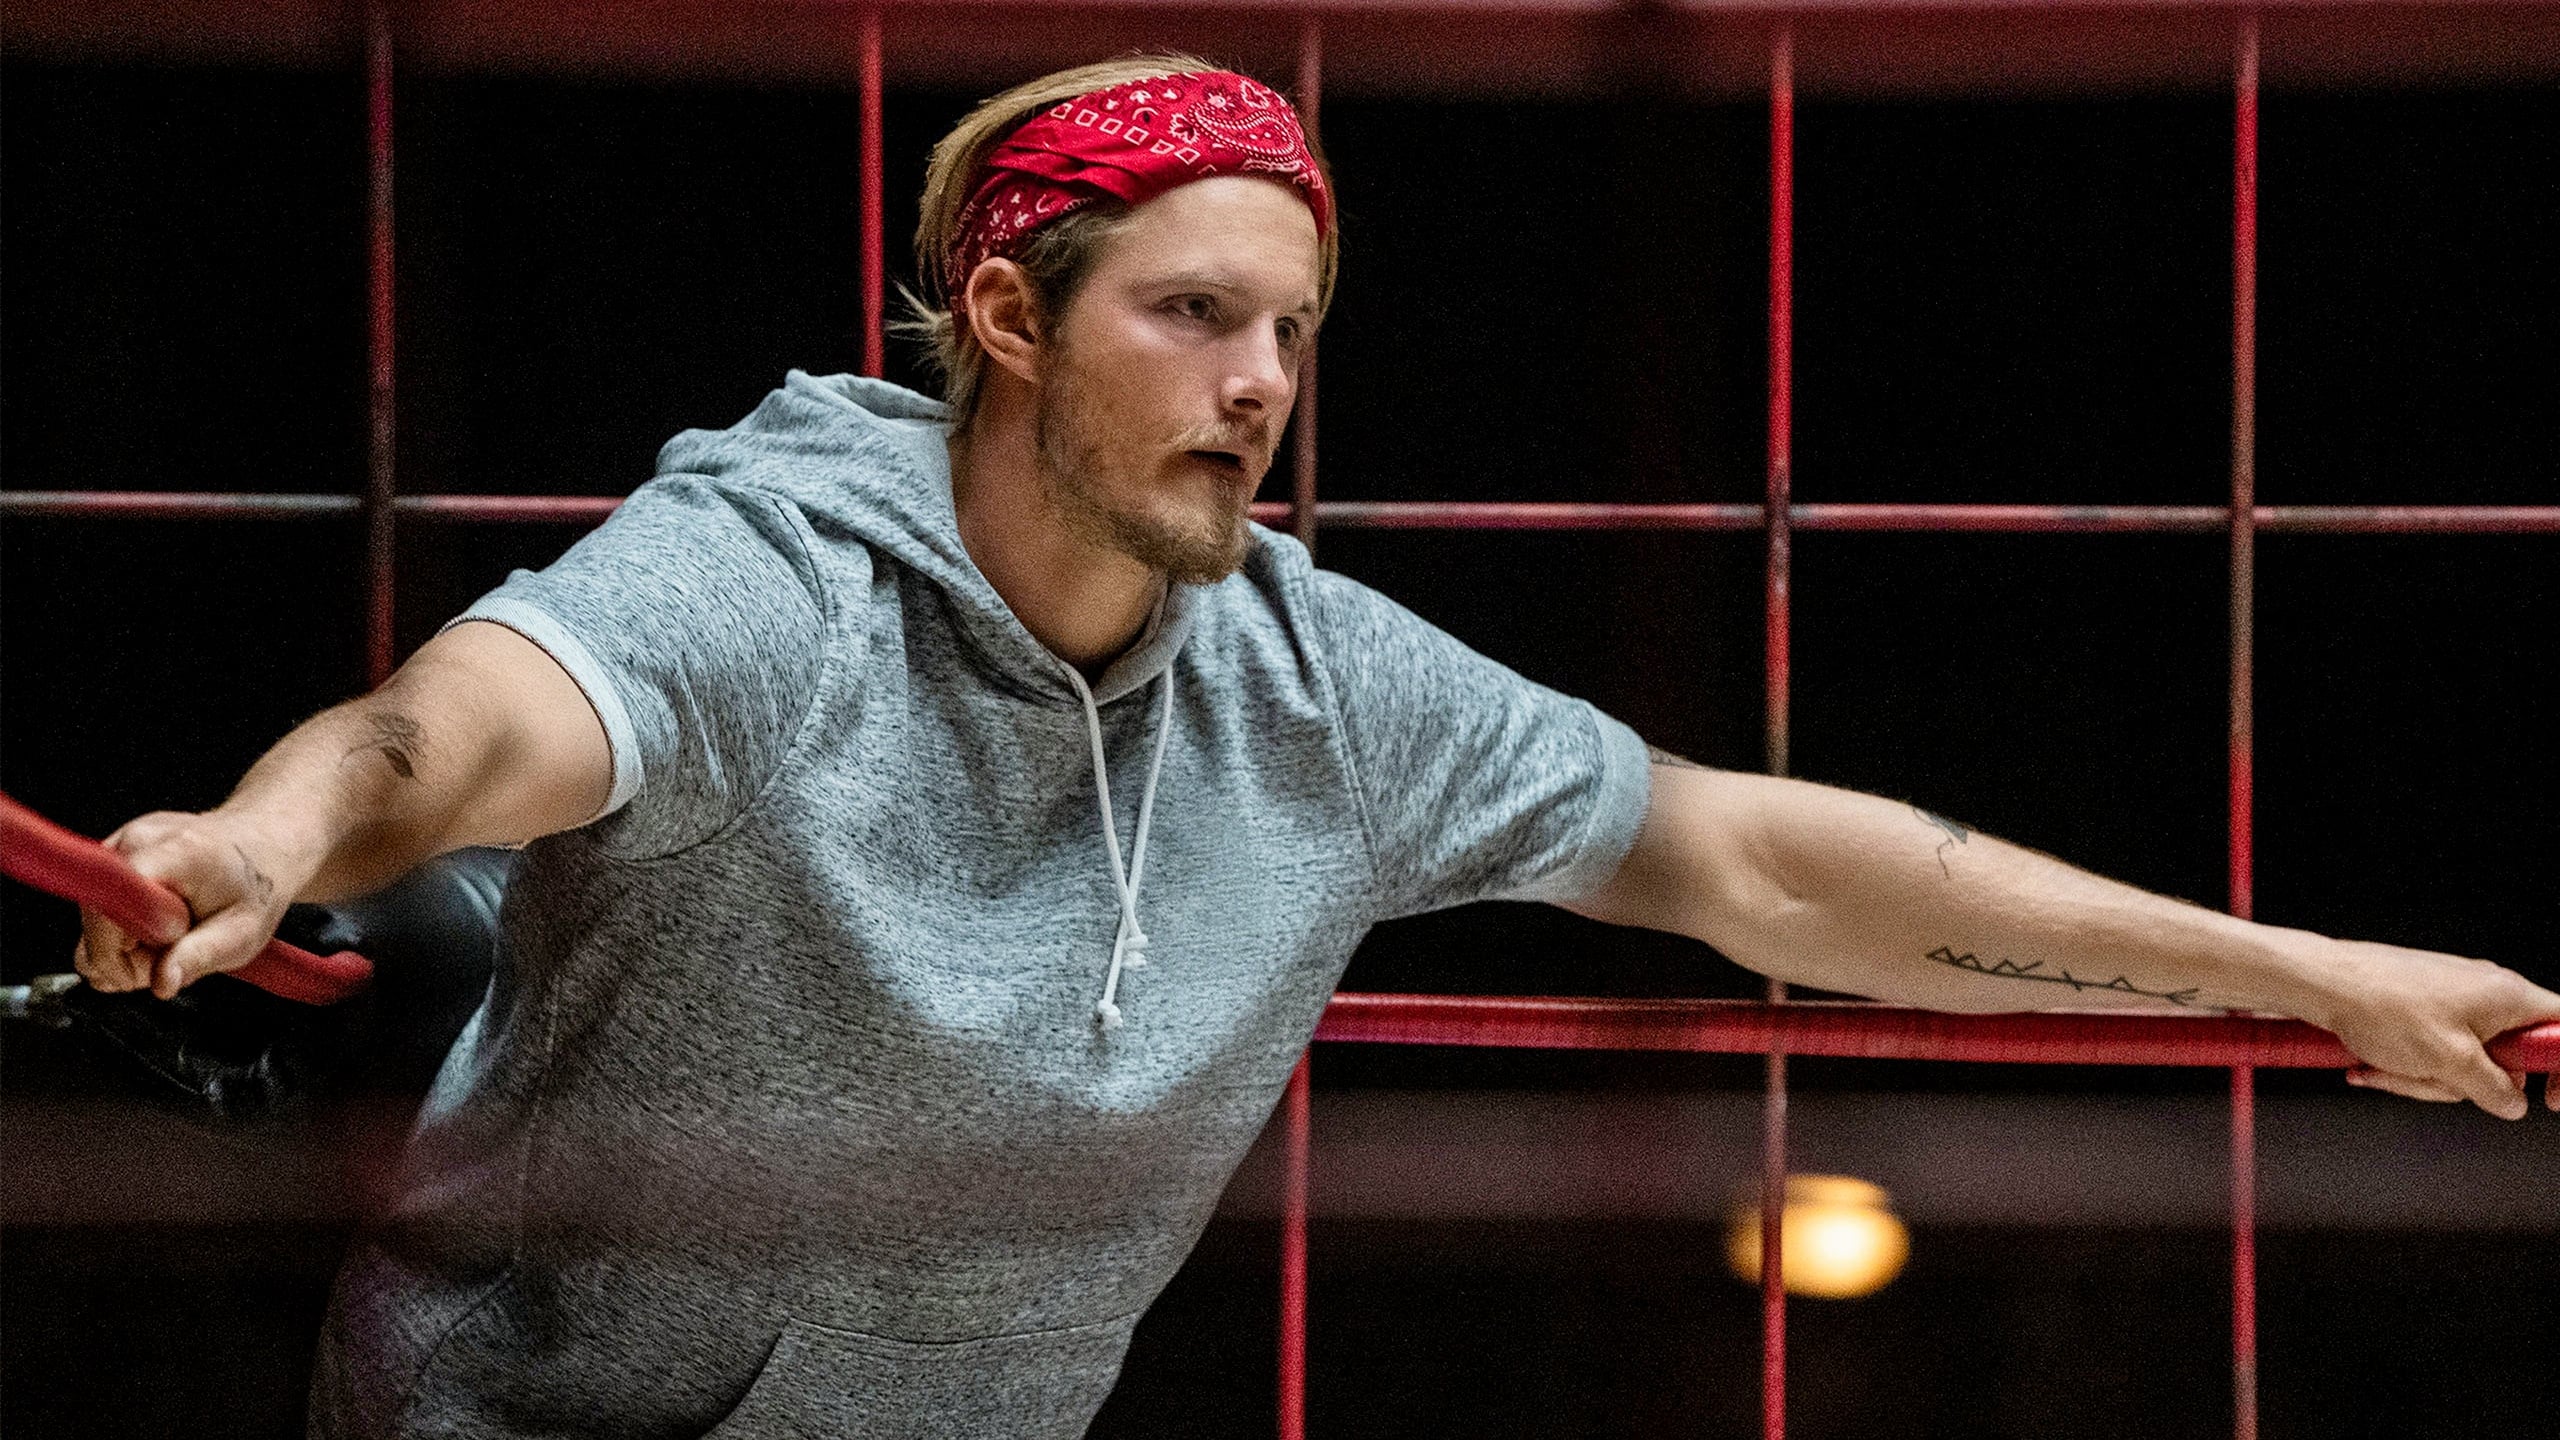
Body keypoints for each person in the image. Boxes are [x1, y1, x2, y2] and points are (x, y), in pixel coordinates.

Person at [70, 53, 2557, 1440]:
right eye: (1189, 315)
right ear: (1009, 318)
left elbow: (1765, 866)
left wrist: (2308, 974)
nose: (1259, 384)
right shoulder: (770, 577)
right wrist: (267, 836)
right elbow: (451, 733)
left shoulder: (1317, 681)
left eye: (1289, 328)